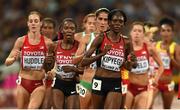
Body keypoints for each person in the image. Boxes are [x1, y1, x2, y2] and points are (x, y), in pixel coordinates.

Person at [79, 9, 136, 109]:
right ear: (109, 23)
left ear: (124, 24)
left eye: (120, 21)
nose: (117, 24)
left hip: (115, 81)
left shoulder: (127, 42)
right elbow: (83, 62)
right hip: (99, 81)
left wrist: (130, 62)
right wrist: (101, 54)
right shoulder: (101, 38)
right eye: (115, 21)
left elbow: (130, 68)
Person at [4, 11, 54, 109]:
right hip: (23, 83)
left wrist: (52, 71)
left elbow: (54, 63)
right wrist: (14, 58)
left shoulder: (48, 43)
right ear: (28, 24)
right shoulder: (21, 41)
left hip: (39, 83)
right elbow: (7, 62)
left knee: (32, 108)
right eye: (31, 21)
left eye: (36, 21)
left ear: (40, 23)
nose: (33, 23)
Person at [124, 21, 164, 109]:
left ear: (143, 34)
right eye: (134, 30)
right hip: (128, 88)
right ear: (130, 33)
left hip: (143, 89)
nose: (137, 33)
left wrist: (156, 79)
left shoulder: (149, 48)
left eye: (139, 31)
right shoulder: (126, 48)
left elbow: (161, 65)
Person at [48, 18, 80, 109]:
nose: (69, 30)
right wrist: (47, 63)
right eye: (66, 28)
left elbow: (84, 68)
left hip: (73, 83)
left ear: (75, 31)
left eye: (72, 28)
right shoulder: (54, 45)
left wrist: (73, 69)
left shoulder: (79, 46)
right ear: (62, 30)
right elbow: (48, 68)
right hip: (58, 82)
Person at [152, 17, 180, 109]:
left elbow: (178, 67)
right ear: (160, 32)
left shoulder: (175, 47)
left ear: (172, 32)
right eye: (163, 30)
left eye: (168, 30)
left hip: (167, 83)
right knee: (148, 106)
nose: (166, 33)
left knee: (167, 108)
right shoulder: (155, 45)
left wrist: (170, 56)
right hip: (155, 82)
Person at [40, 17, 56, 109]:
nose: (47, 30)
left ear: (54, 30)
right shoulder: (34, 44)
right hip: (37, 80)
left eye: (50, 28)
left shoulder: (57, 45)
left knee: (46, 106)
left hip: (51, 80)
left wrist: (53, 72)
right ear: (41, 29)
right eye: (45, 27)